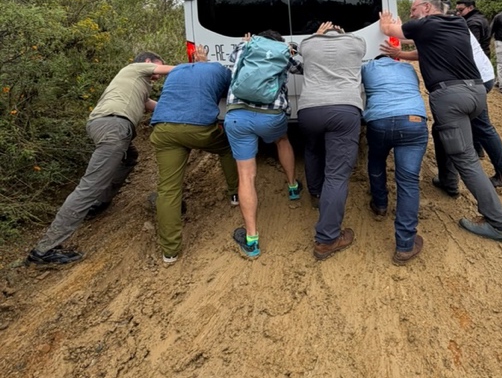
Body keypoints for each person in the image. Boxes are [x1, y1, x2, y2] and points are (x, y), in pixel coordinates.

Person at [380, 0, 502, 242]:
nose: (411, 14)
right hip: (476, 92)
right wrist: (399, 55)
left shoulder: (425, 24)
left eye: (414, 8)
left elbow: (390, 29)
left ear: (427, 7)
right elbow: (426, 52)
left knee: (467, 160)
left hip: (450, 98)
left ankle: (498, 223)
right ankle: (447, 180)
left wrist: (386, 20)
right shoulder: (458, 24)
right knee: (441, 133)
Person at [26, 52, 175, 266]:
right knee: (90, 186)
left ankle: (99, 203)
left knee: (130, 157)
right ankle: (44, 250)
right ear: (148, 62)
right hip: (113, 127)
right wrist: (198, 67)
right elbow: (173, 70)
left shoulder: (136, 86)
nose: (158, 76)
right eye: (157, 69)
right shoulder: (135, 69)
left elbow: (154, 106)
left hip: (107, 126)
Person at [382, 32, 502, 193]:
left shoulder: (437, 27)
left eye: (414, 11)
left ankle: (450, 181)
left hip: (467, 82)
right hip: (479, 78)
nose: (412, 16)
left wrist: (398, 51)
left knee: (445, 129)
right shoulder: (452, 24)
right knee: (481, 127)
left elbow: (425, 49)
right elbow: (423, 41)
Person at [149, 45, 239, 264]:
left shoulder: (178, 70)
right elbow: (232, 93)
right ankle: (235, 193)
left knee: (168, 189)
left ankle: (169, 251)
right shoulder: (220, 70)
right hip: (198, 127)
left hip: (164, 129)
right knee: (226, 147)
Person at [224, 30, 303, 259]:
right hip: (271, 116)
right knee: (282, 140)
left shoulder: (244, 48)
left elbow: (233, 61)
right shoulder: (283, 54)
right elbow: (300, 69)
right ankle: (292, 187)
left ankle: (251, 239)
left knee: (246, 175)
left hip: (237, 117)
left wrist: (246, 42)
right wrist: (291, 49)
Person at [297, 23, 366, 260]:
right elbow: (353, 42)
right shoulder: (356, 43)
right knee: (336, 175)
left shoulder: (307, 44)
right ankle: (327, 239)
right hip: (344, 110)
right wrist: (343, 31)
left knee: (313, 150)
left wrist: (317, 34)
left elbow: (305, 46)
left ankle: (316, 193)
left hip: (308, 109)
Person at [361, 55, 428, 264]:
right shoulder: (407, 68)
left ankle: (380, 204)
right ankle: (405, 246)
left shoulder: (367, 67)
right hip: (413, 120)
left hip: (379, 121)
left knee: (377, 158)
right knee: (408, 181)